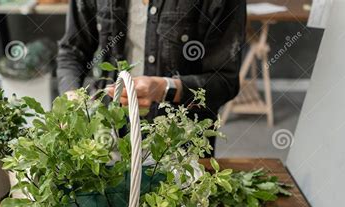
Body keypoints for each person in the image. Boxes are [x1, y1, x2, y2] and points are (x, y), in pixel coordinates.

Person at [57, 0, 246, 152]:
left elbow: (224, 80)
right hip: (107, 138)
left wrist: (165, 89)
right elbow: (73, 51)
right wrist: (71, 96)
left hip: (180, 148)